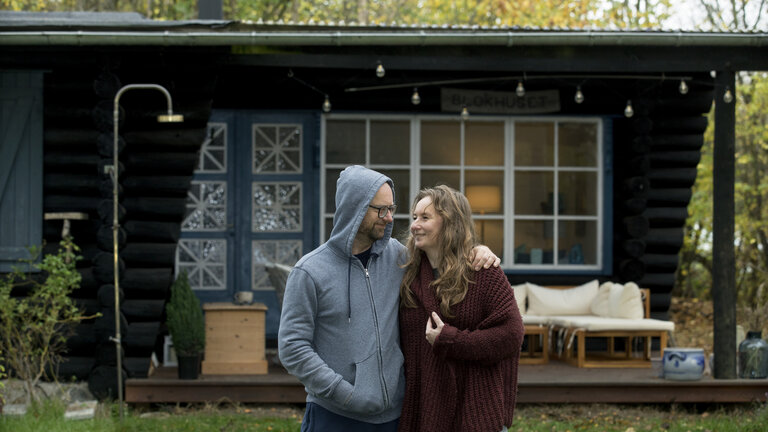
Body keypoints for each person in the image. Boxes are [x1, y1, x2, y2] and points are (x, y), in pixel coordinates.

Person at [278, 166, 499, 431]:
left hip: (395, 416)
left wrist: (477, 249)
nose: (389, 217)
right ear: (355, 208)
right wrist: (343, 393)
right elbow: (292, 347)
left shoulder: (400, 258)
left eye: (391, 208)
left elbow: (444, 252)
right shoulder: (309, 272)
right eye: (380, 210)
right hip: (334, 415)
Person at [398, 185, 525, 432]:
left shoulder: (482, 273)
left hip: (475, 409)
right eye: (414, 217)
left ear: (450, 223)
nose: (414, 225)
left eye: (425, 217)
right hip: (423, 409)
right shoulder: (407, 273)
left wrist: (452, 341)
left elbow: (511, 335)